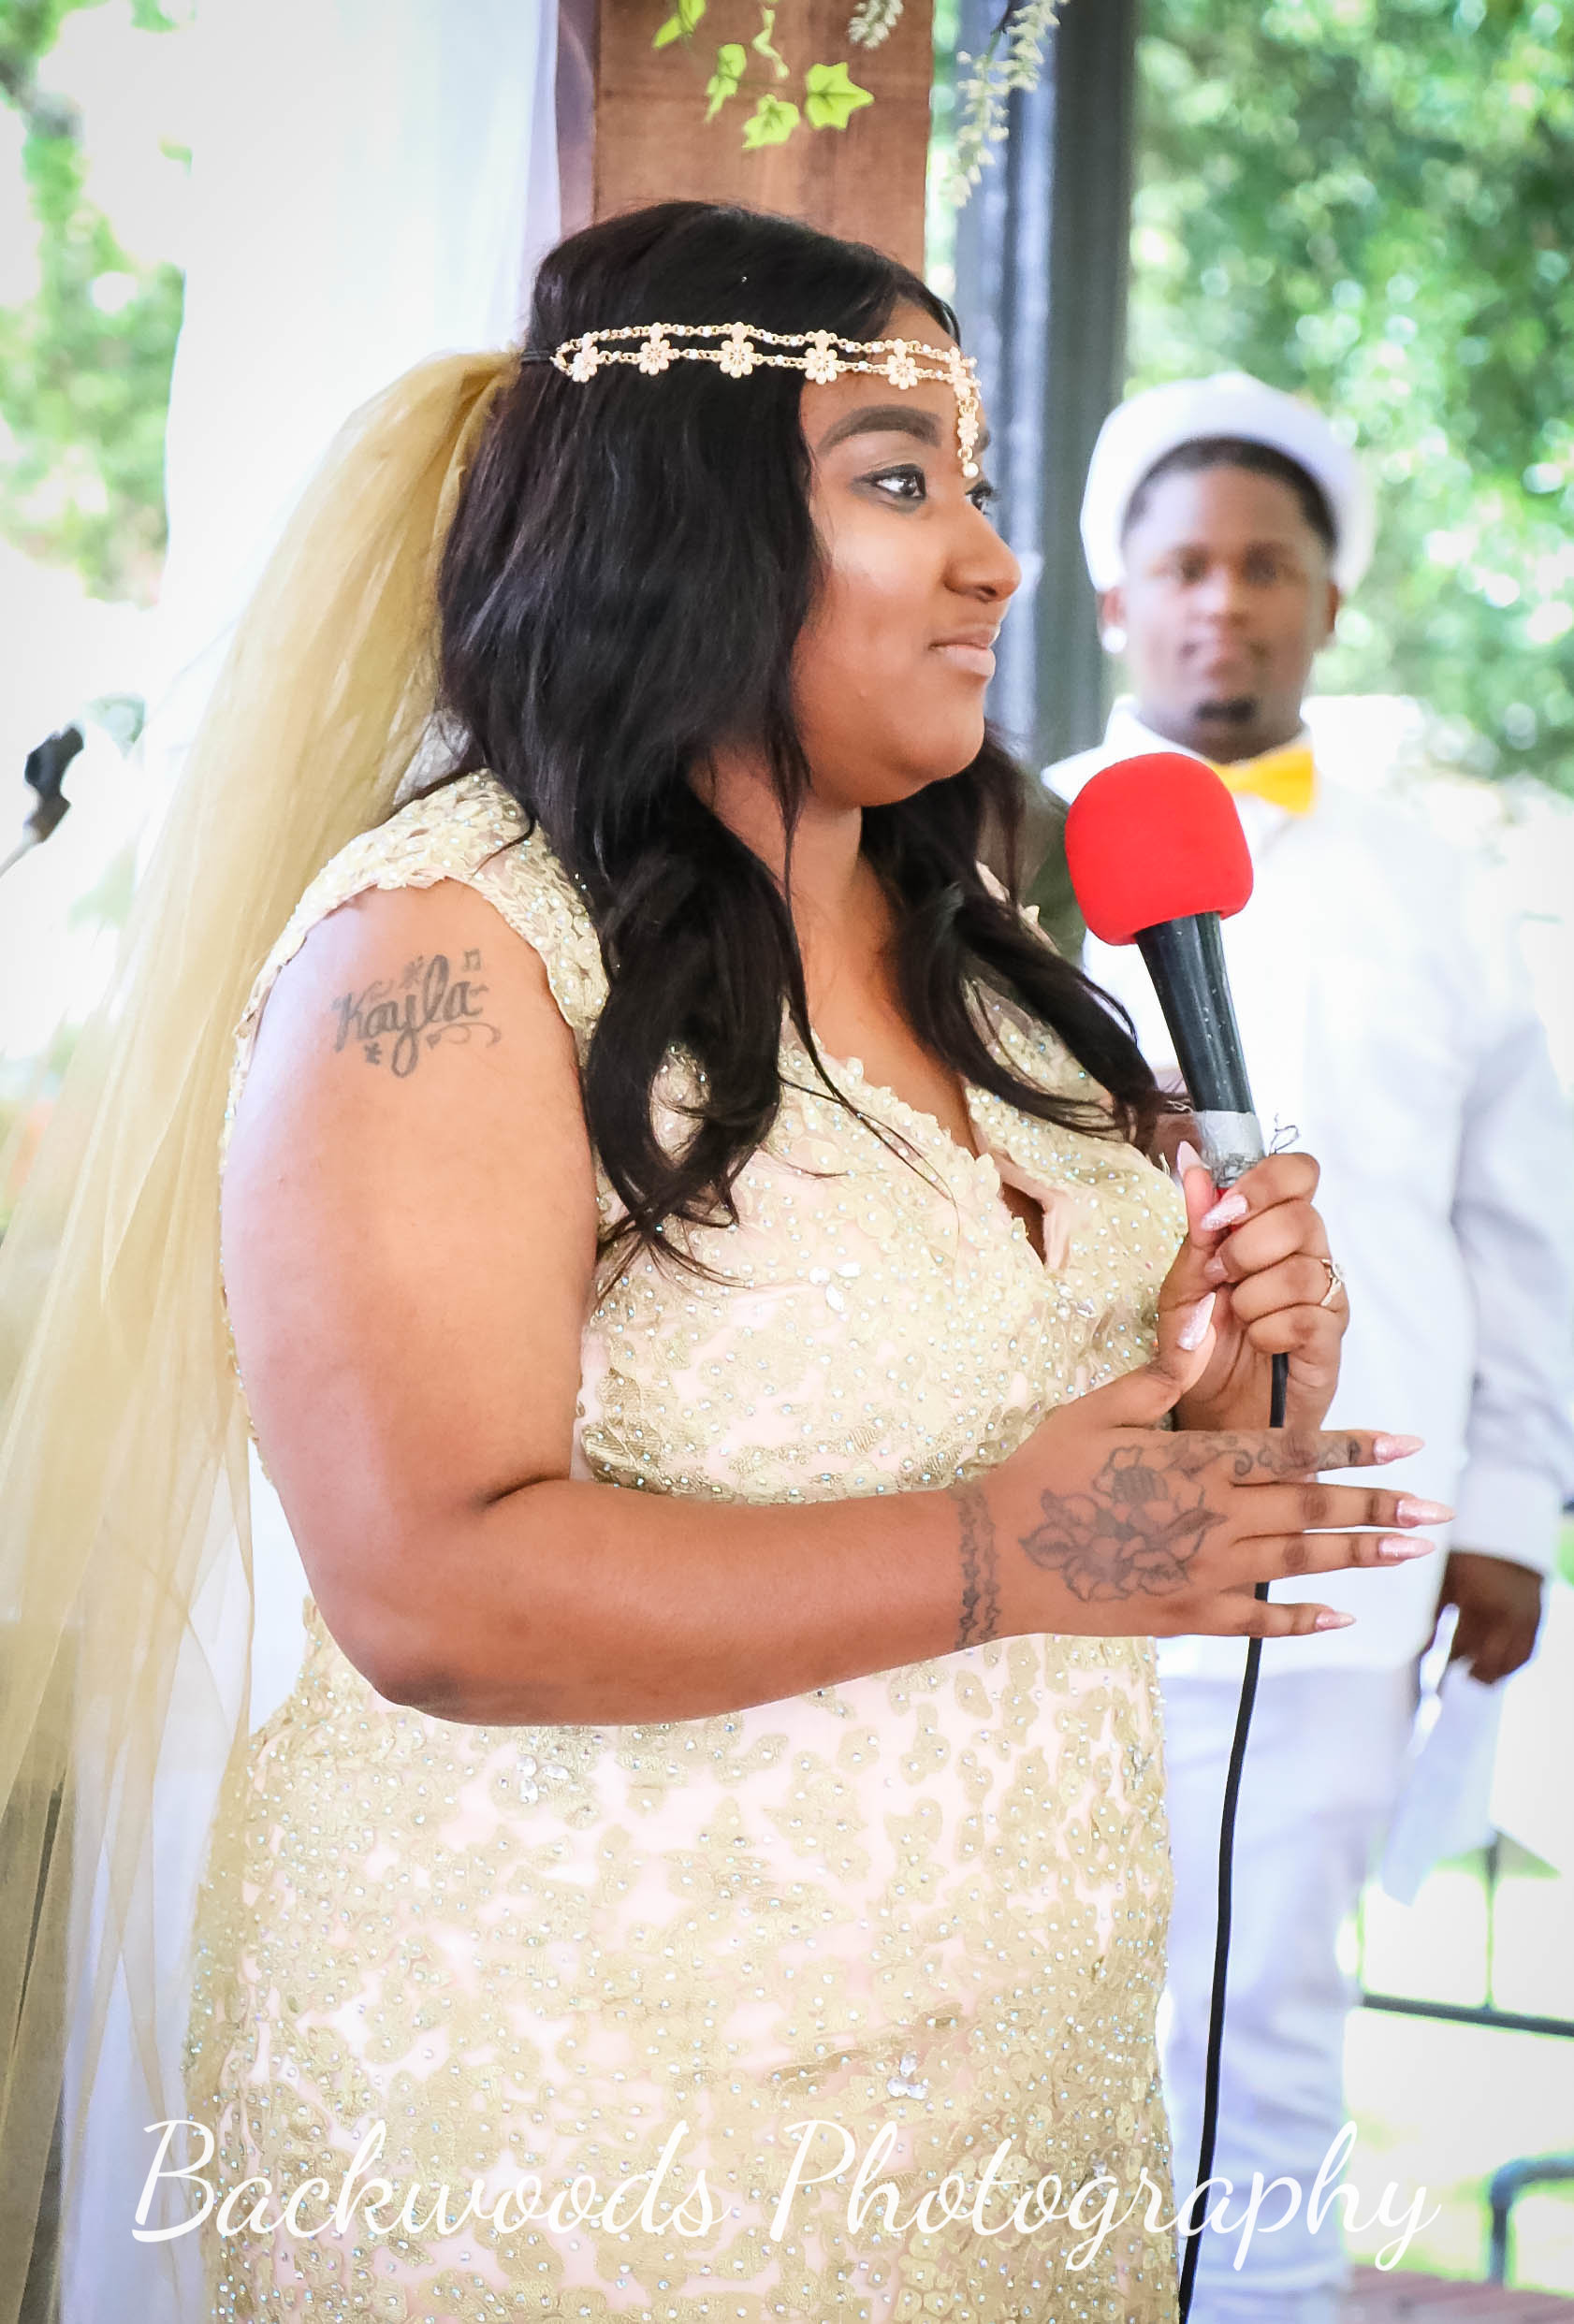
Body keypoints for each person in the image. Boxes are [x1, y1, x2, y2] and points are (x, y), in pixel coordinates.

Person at [0, 220, 1438, 2324]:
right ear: (680, 520)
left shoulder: (999, 979)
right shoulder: (442, 958)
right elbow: (432, 1592)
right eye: (897, 480)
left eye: (973, 487)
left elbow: (1091, 1477)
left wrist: (1223, 1383)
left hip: (1007, 2100)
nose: (993, 563)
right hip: (577, 2108)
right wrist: (1005, 1553)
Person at [1043, 370, 1574, 2324]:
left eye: (1263, 566)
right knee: (1036, 1998)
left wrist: (1504, 1511)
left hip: (1350, 1531)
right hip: (1057, 1535)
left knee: (1263, 2007)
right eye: (1182, 565)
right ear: (1115, 599)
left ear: (1326, 604)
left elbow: (1518, 1224)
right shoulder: (995, 848)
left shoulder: (1438, 881)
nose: (1222, 601)